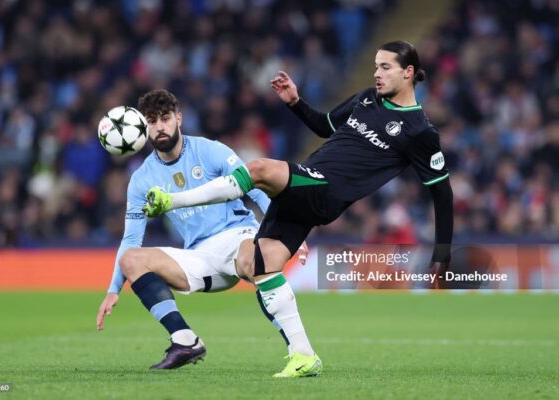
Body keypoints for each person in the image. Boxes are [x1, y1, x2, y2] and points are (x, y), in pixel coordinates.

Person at [143, 40, 454, 369]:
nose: (377, 73)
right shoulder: (366, 98)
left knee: (258, 169)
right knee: (263, 266)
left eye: (385, 67)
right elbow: (325, 126)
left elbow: (442, 193)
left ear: (408, 72)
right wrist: (295, 101)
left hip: (326, 190)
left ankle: (171, 200)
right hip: (307, 185)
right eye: (376, 66)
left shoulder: (420, 131)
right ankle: (303, 356)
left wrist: (442, 254)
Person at [96, 89, 314, 375]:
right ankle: (185, 340)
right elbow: (131, 238)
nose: (160, 126)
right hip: (199, 255)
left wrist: (287, 230)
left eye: (165, 118)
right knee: (131, 259)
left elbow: (258, 189)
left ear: (179, 119)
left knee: (256, 261)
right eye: (152, 121)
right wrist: (113, 290)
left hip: (238, 236)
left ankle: (303, 354)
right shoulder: (141, 179)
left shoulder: (209, 150)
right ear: (143, 127)